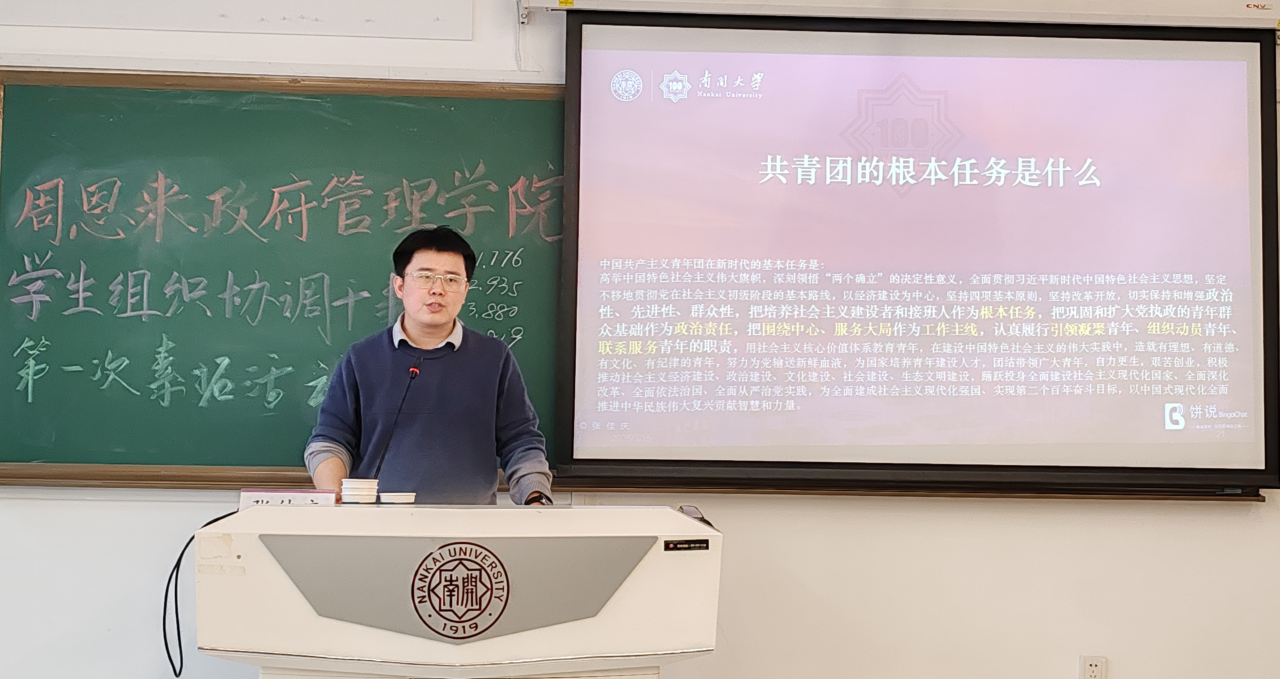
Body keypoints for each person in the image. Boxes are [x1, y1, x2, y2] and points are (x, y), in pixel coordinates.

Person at [304, 227, 553, 505]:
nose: (438, 289)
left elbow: (521, 441)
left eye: (452, 279)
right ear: (400, 286)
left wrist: (536, 498)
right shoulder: (362, 357)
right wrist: (333, 497)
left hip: (470, 526)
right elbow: (330, 441)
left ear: (465, 290)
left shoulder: (494, 357)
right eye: (425, 277)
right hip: (376, 521)